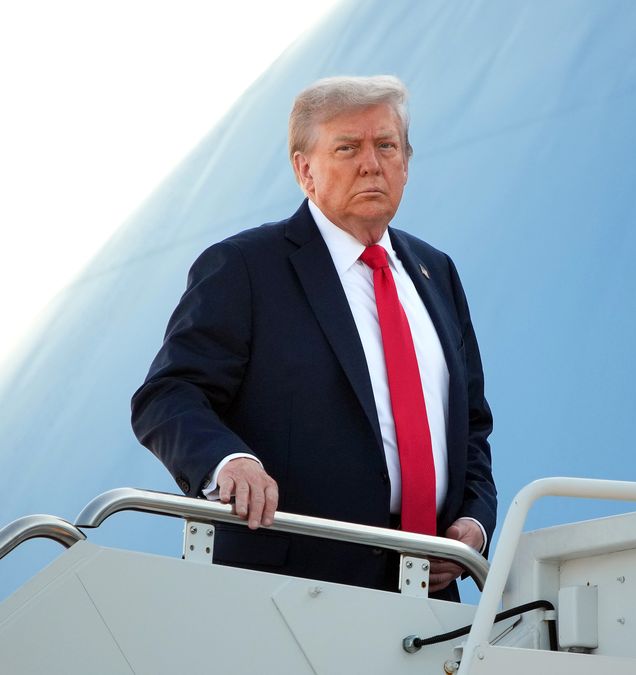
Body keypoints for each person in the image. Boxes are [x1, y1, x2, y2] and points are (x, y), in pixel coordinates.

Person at [131, 75, 495, 599]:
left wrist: (474, 522)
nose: (371, 163)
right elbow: (167, 395)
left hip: (429, 591)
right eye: (347, 148)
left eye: (386, 145)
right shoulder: (246, 268)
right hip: (291, 587)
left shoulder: (437, 274)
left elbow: (472, 426)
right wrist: (228, 462)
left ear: (406, 162)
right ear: (305, 170)